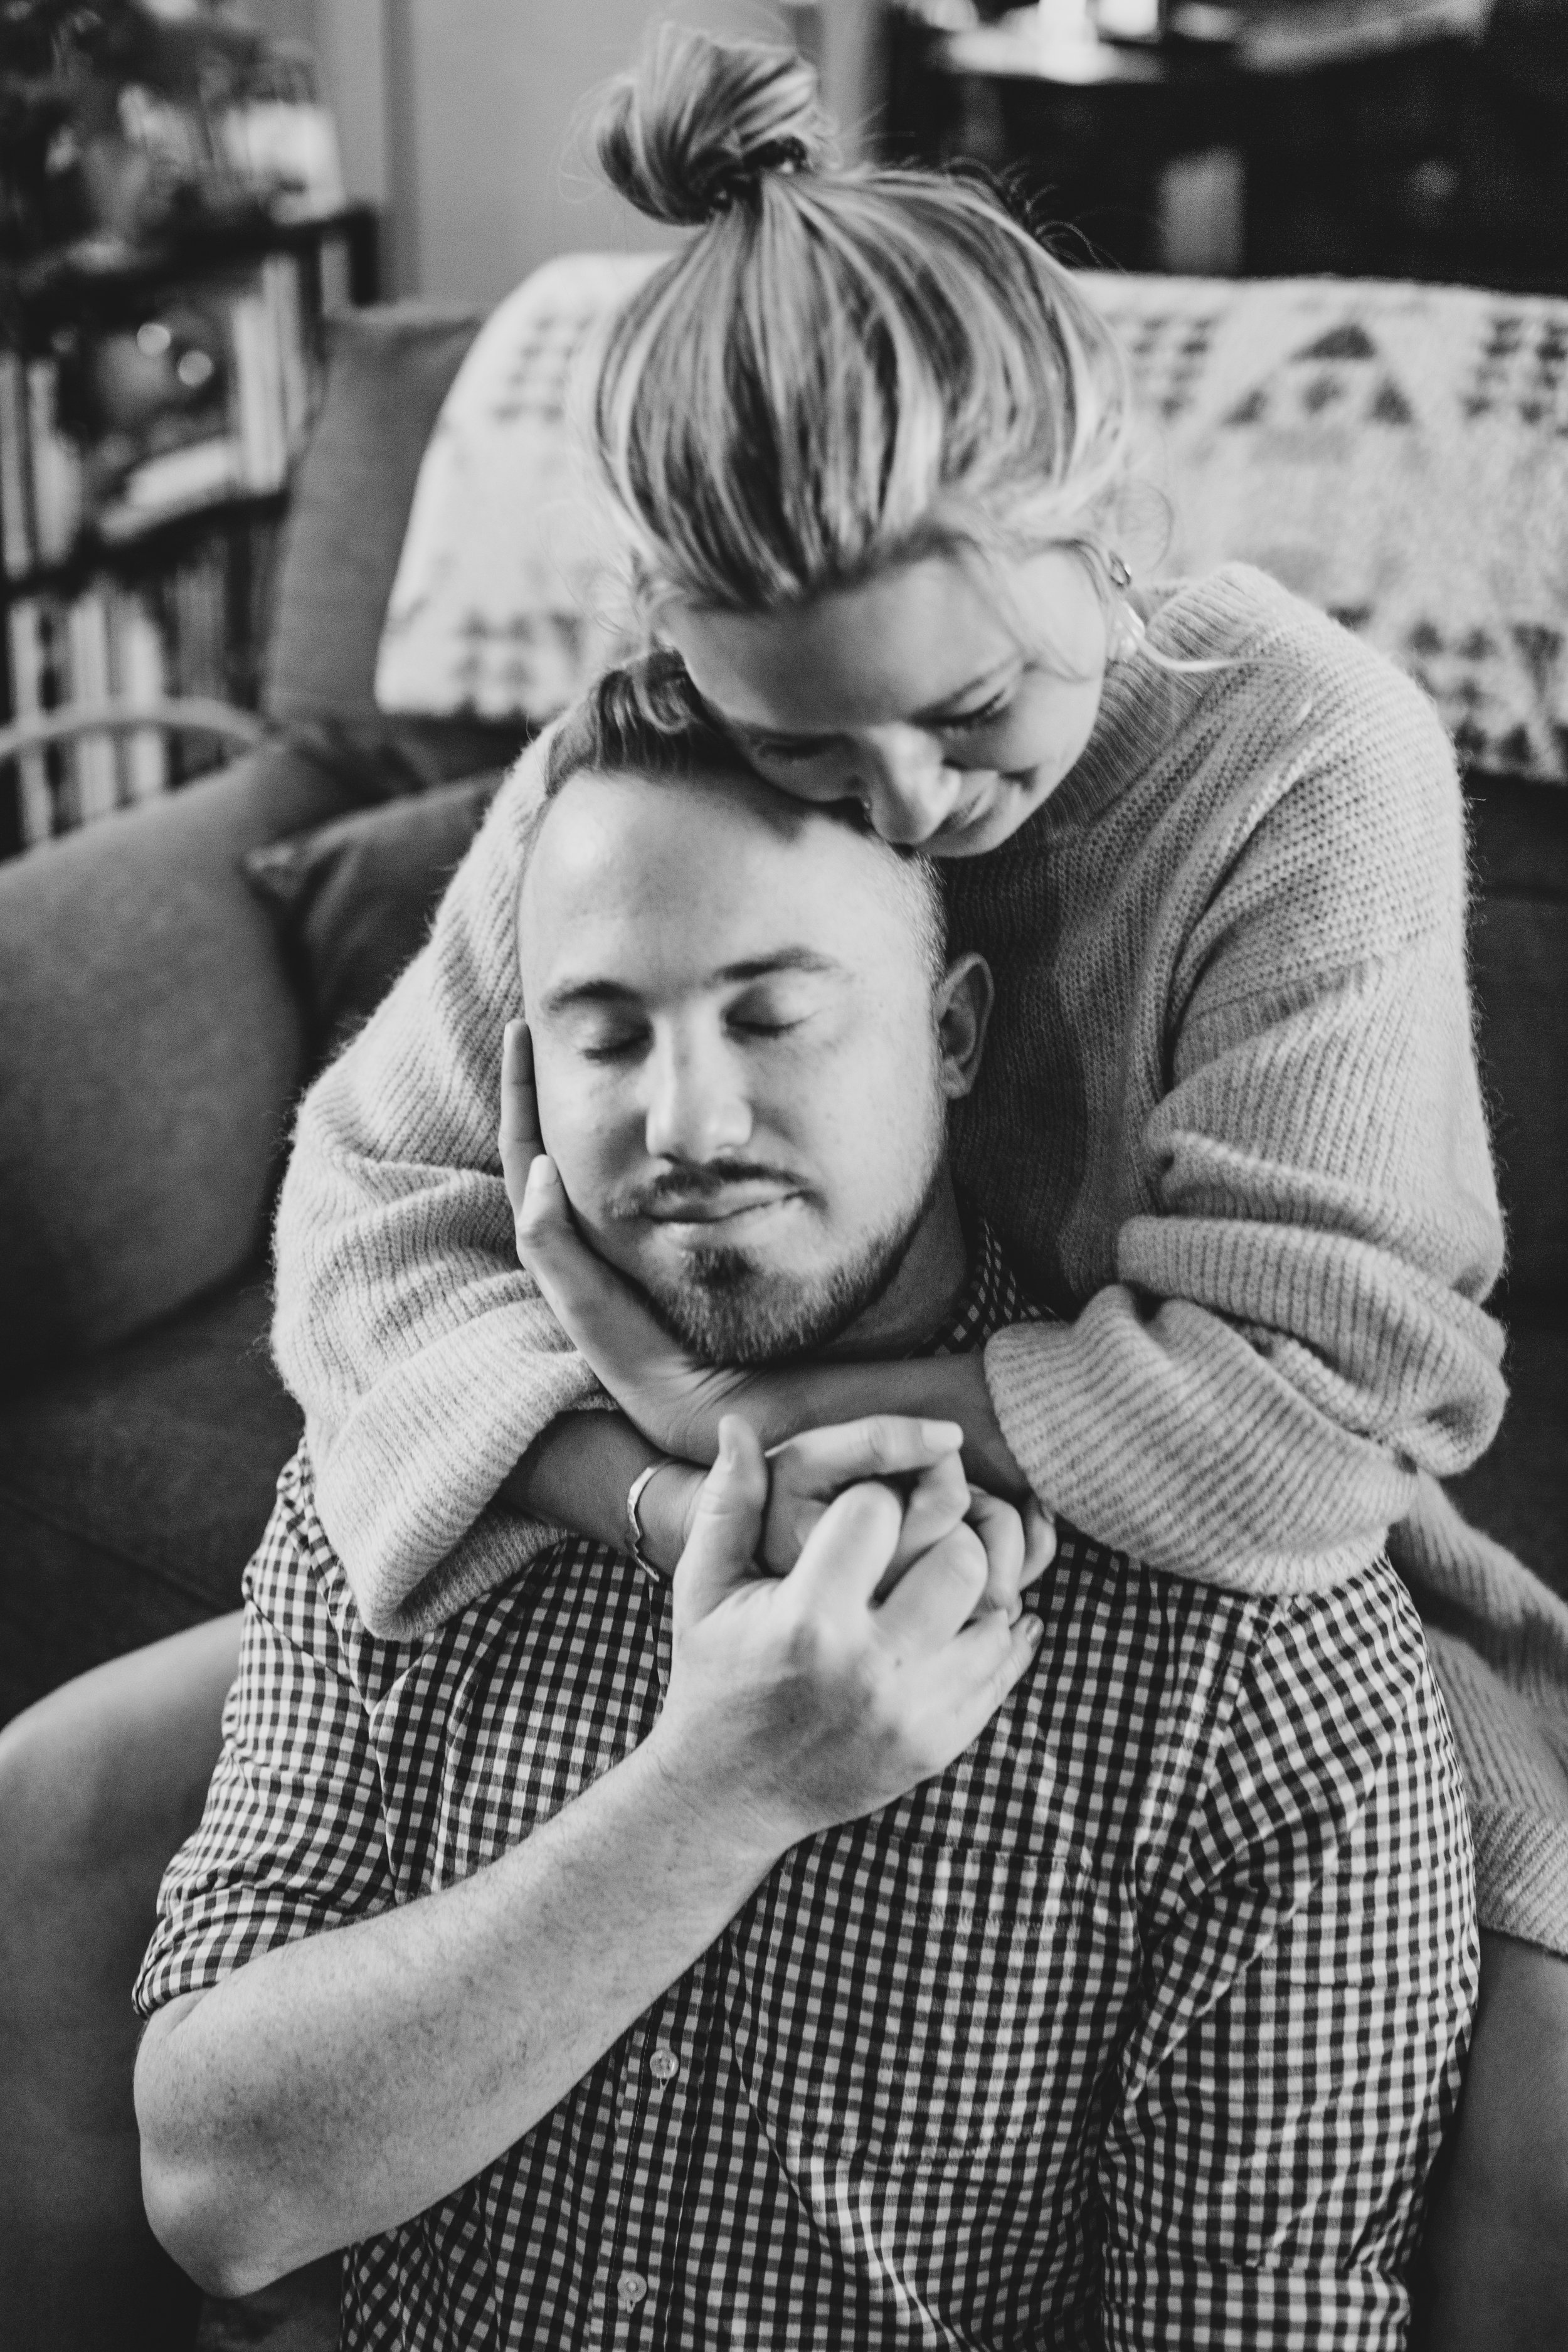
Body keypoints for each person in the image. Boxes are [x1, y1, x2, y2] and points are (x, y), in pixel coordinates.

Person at [267, 28, 1568, 2337]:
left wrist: (737, 1427)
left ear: (1097, 521)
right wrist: (660, 1499)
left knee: (1545, 1970)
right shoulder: (635, 751)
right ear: (673, 656)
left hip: (1172, 1540)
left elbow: (1298, 1425)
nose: (901, 804)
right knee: (52, 1796)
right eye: (797, 744)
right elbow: (366, 1208)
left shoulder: (1304, 760)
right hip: (734, 1523)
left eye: (969, 718)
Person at [135, 693, 1476, 2345]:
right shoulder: (411, 1472)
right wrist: (717, 1792)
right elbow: (216, 2189)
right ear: (521, 1079)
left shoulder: (1267, 1669)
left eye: (772, 1019)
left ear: (952, 1034)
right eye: (608, 1039)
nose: (688, 1125)